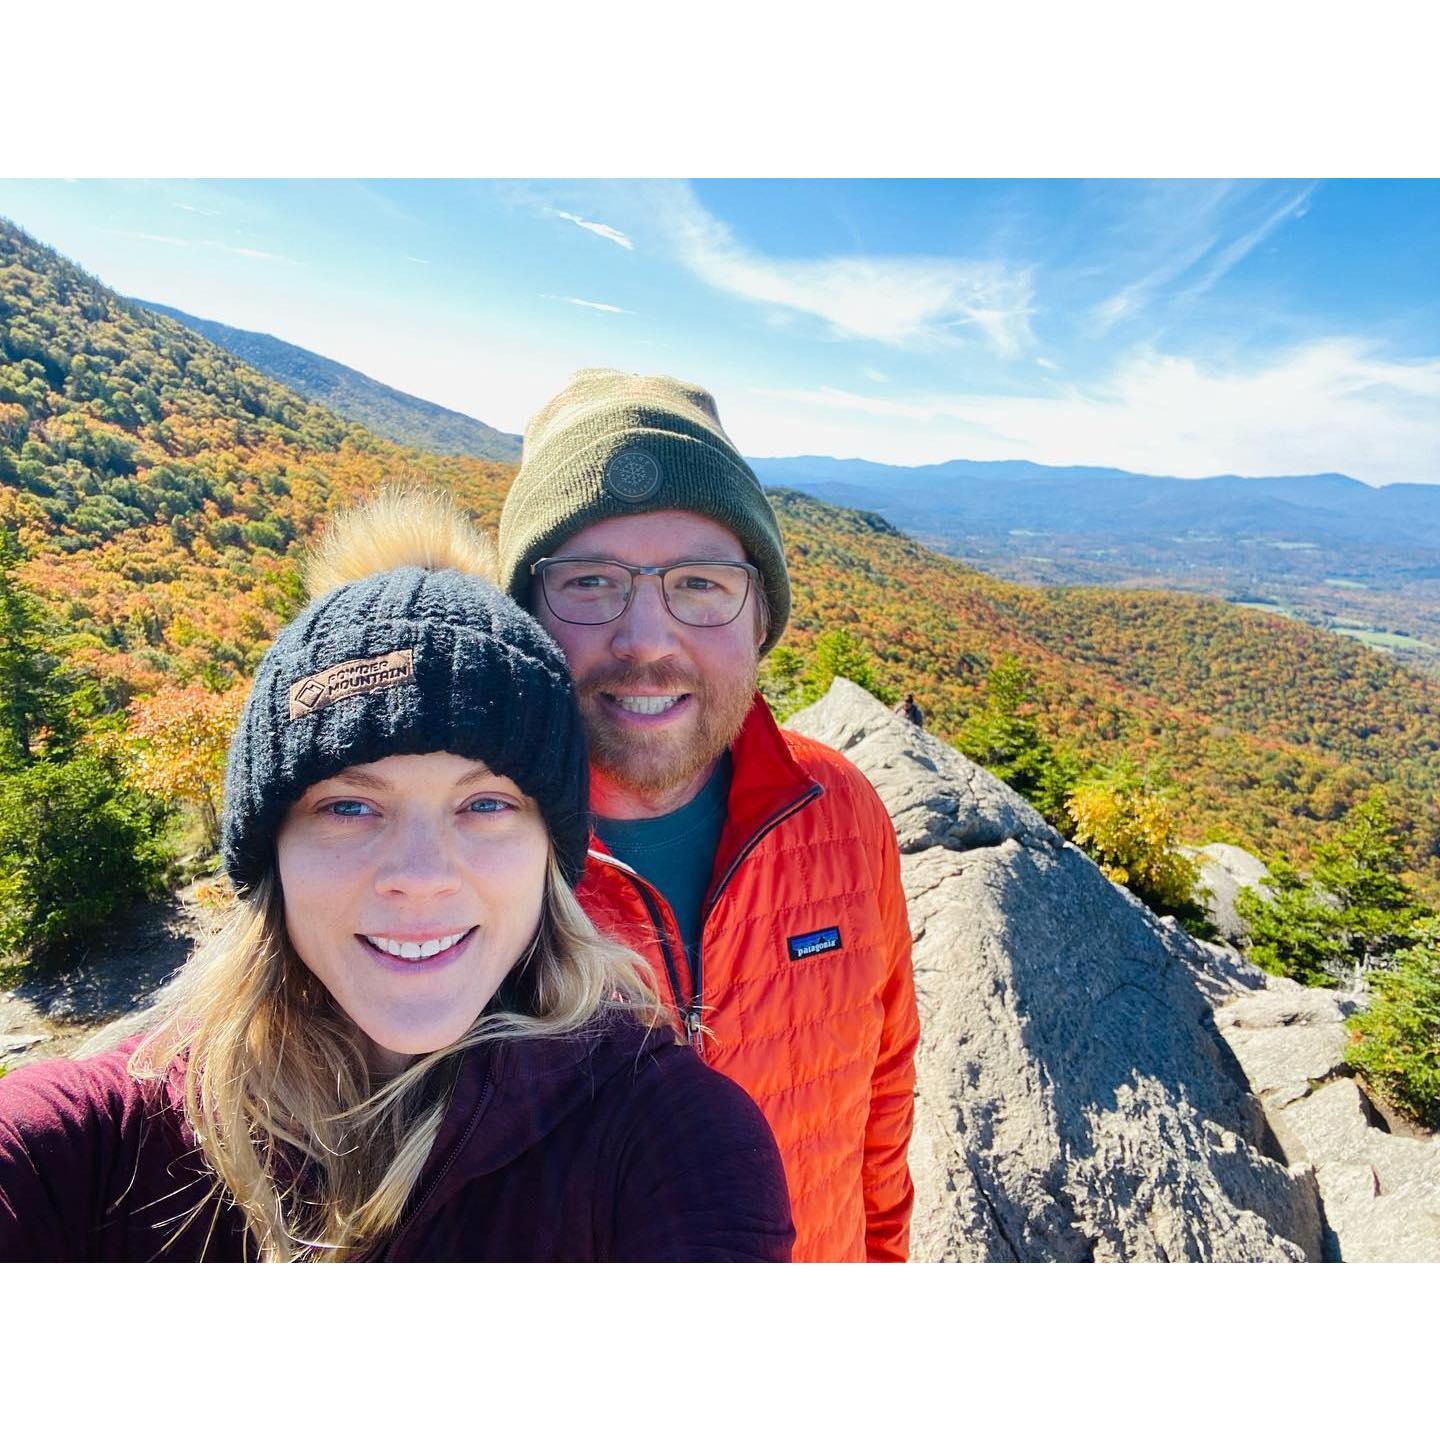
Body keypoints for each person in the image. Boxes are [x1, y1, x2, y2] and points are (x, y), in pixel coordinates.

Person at [0, 494, 793, 1263]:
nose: (419, 877)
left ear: (551, 854)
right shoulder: (97, 1142)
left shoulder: (668, 1139)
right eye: (349, 807)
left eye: (484, 804)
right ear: (270, 852)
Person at [497, 371, 920, 1263]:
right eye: (588, 582)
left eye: (699, 583)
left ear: (761, 613)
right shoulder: (467, 862)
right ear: (527, 617)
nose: (647, 639)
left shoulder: (841, 814)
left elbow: (882, 1105)